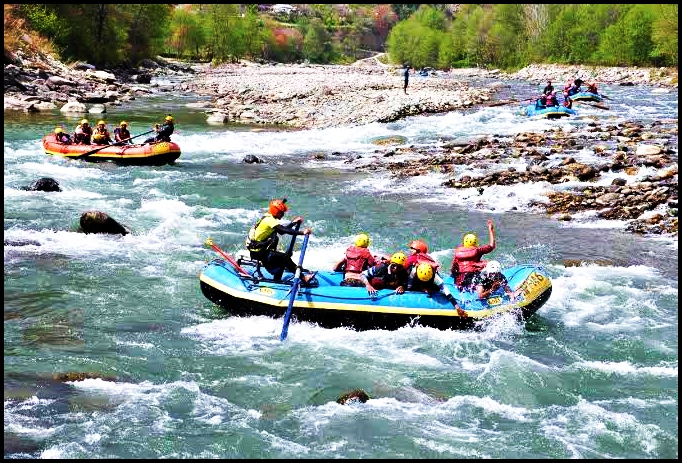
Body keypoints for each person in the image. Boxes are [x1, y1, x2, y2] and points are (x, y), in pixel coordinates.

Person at [245, 198, 316, 284]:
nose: (282, 215)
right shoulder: (269, 220)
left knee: (282, 260)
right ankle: (303, 278)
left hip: (261, 250)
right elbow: (284, 230)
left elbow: (281, 231)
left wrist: (293, 223)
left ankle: (277, 281)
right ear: (276, 212)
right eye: (281, 213)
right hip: (259, 252)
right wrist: (302, 232)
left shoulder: (269, 217)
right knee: (285, 257)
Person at [450, 219, 496, 290]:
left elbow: (453, 269)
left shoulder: (457, 252)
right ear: (476, 242)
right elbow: (492, 246)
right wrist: (491, 230)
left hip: (460, 281)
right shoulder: (477, 250)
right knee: (486, 264)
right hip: (472, 278)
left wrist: (453, 276)